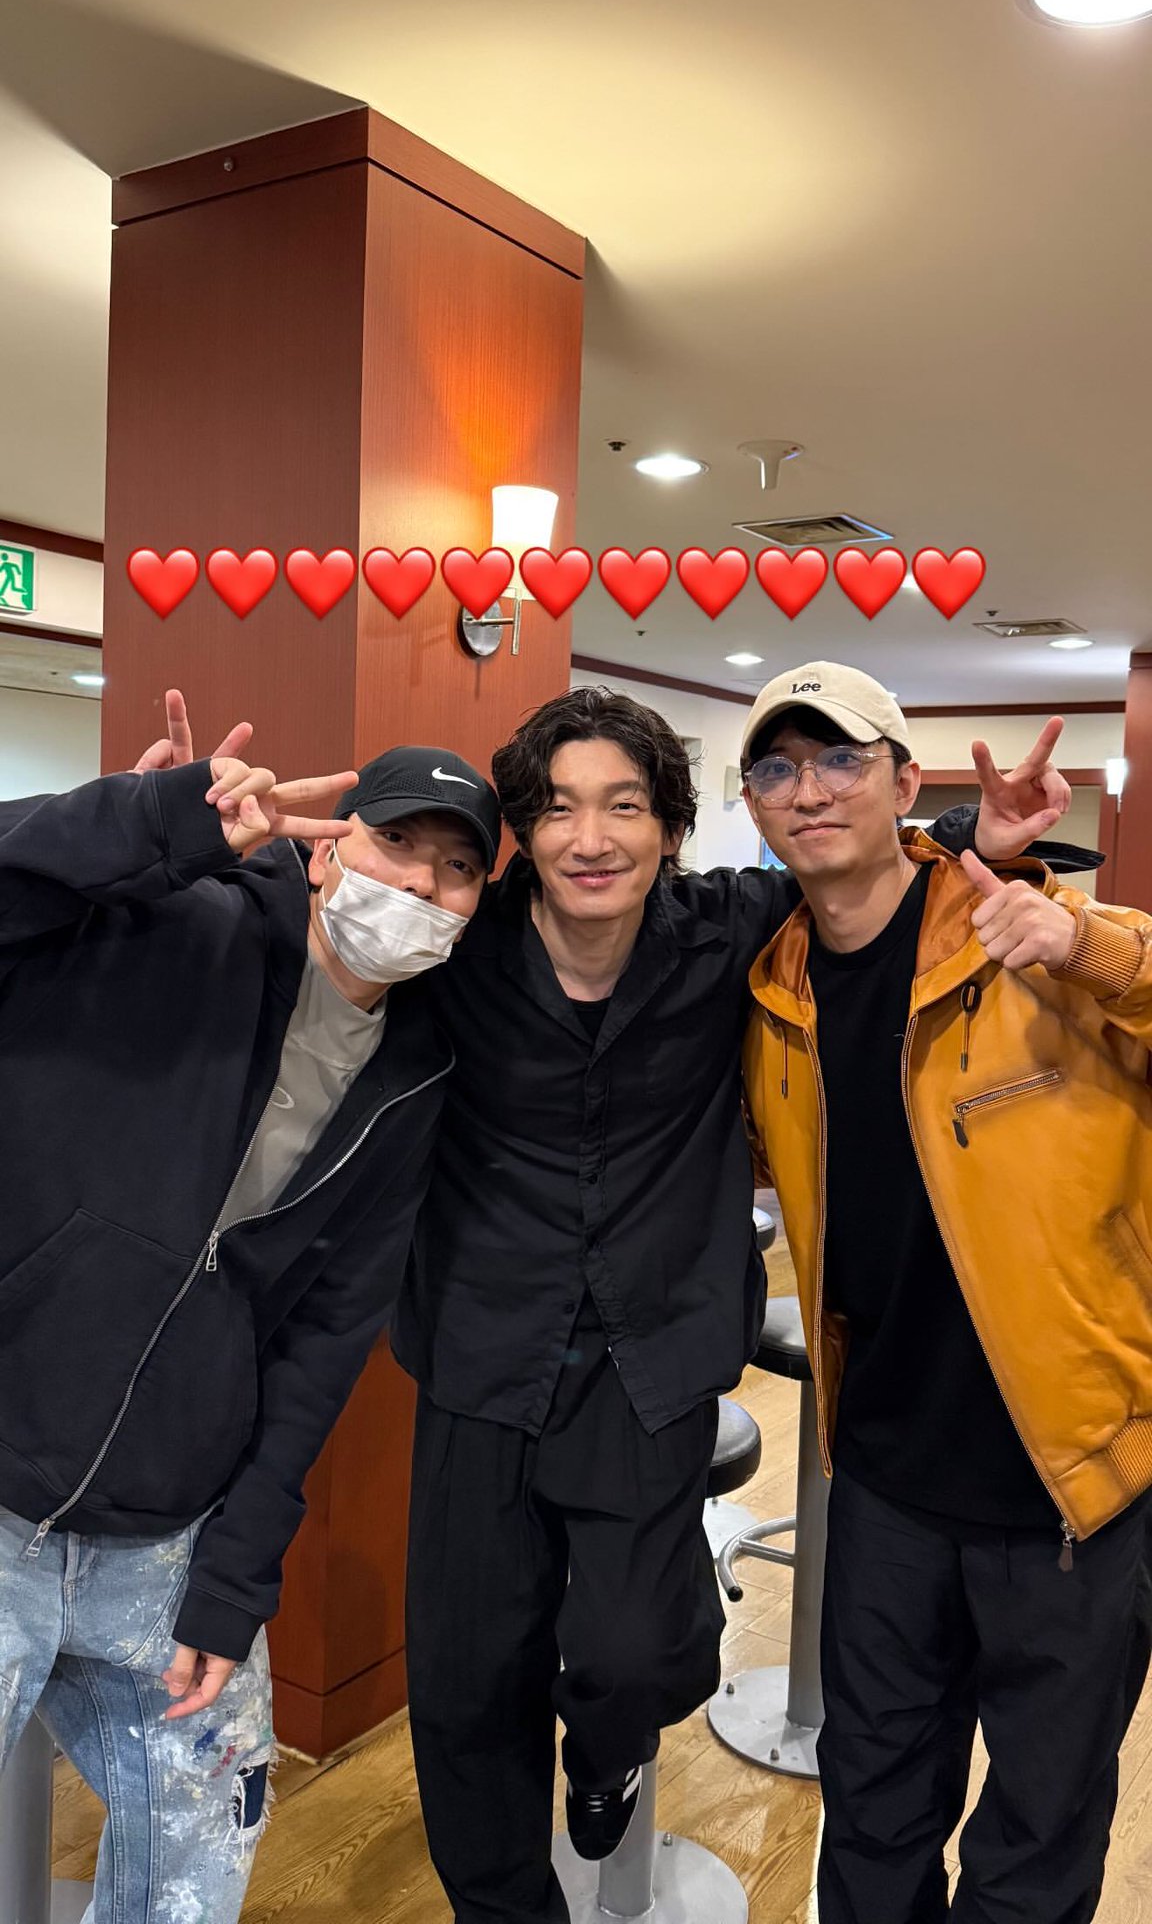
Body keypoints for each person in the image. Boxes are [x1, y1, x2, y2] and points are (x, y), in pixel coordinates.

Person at [391, 680, 1092, 1924]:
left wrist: (975, 843)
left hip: (652, 1357)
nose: (590, 837)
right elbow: (315, 945)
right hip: (481, 1353)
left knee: (637, 1653)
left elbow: (861, 881)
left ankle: (608, 1747)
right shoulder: (456, 947)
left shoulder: (732, 931)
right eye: (557, 808)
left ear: (670, 826)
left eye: (623, 805)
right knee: (465, 1686)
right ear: (522, 832)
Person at [0, 693, 501, 1924]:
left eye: (456, 870)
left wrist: (237, 1577)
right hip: (4, 1472)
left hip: (165, 1535)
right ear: (328, 847)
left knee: (199, 1847)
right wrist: (146, 824)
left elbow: (327, 1337)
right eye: (396, 842)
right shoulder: (177, 920)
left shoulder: (418, 1075)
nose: (420, 884)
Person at [738, 661, 1152, 1924]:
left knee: (1040, 1829)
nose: (809, 790)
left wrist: (1081, 940)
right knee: (871, 1807)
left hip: (1071, 1479)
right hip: (882, 1481)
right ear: (752, 802)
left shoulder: (1029, 933)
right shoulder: (769, 992)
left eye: (841, 757)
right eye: (776, 766)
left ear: (906, 780)